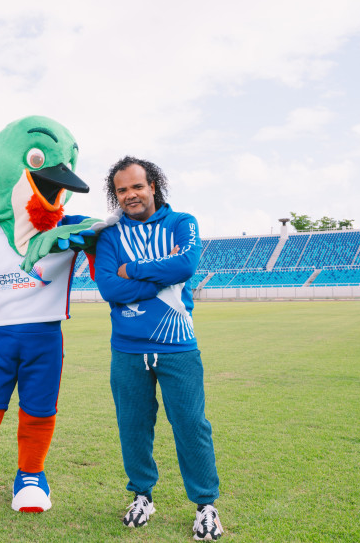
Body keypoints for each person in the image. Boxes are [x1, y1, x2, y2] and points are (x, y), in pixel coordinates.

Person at [94, 156, 223, 540]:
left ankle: (206, 505)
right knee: (133, 427)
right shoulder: (109, 236)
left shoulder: (182, 223)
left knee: (191, 426)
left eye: (137, 186)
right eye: (122, 190)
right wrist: (157, 280)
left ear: (153, 186)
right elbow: (108, 289)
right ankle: (142, 496)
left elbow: (184, 267)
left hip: (178, 346)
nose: (130, 195)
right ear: (115, 195)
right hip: (128, 349)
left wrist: (131, 270)